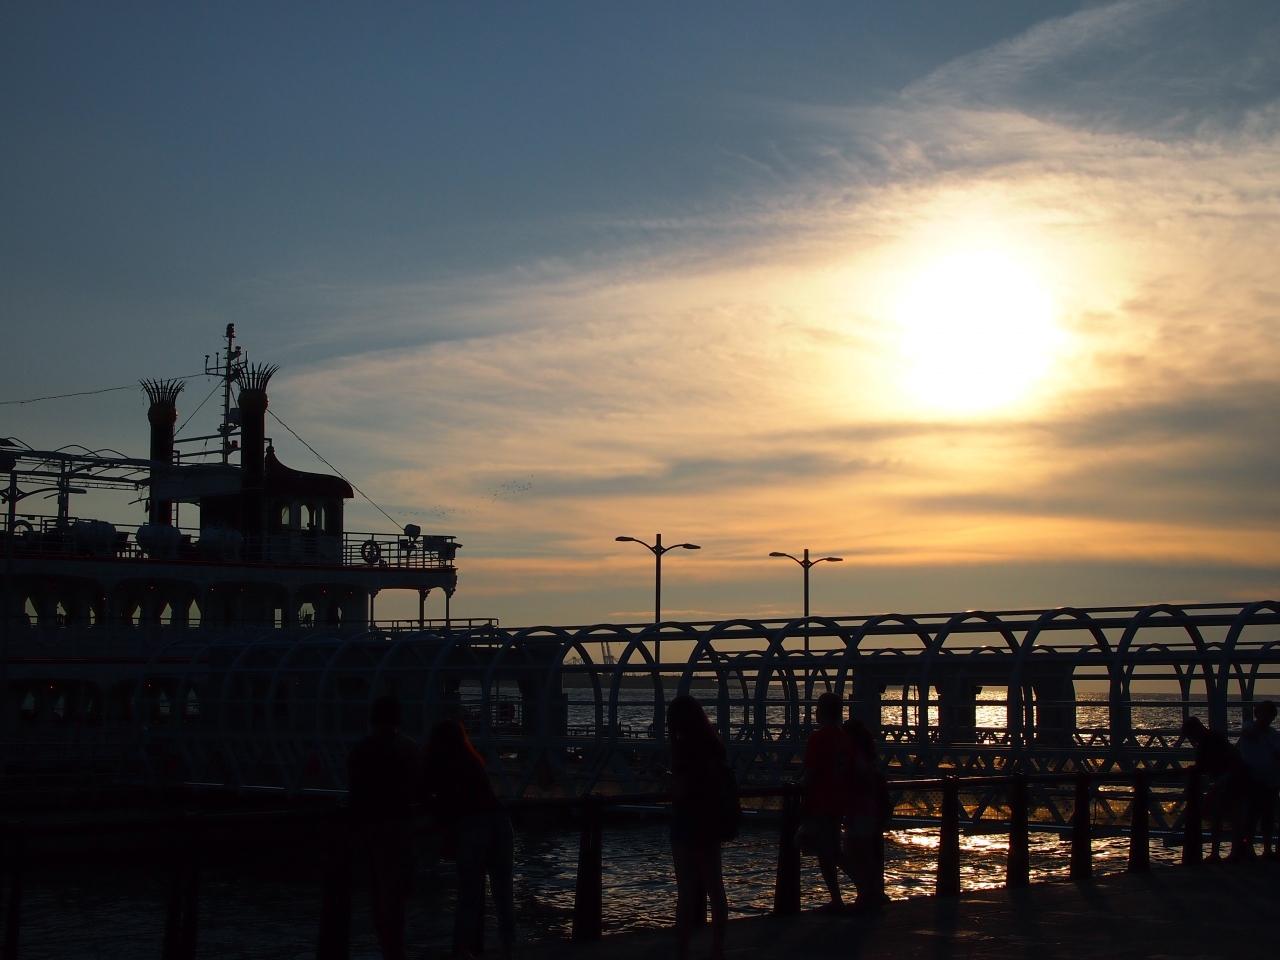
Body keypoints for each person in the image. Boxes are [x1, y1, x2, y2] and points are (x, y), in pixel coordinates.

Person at [422, 717, 515, 960]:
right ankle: (510, 947)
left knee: (469, 895)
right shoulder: (473, 761)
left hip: (472, 825)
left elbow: (431, 798)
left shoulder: (437, 764)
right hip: (499, 821)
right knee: (503, 892)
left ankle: (462, 949)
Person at [347, 695, 422, 960]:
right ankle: (396, 947)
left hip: (371, 824)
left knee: (378, 887)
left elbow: (355, 790)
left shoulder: (361, 750)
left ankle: (386, 946)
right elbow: (418, 786)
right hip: (401, 823)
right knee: (398, 889)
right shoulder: (409, 749)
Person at [667, 694, 729, 960]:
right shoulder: (714, 746)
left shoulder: (682, 749)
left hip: (686, 821)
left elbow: (681, 790)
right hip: (710, 819)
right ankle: (718, 948)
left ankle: (682, 949)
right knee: (715, 887)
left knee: (686, 890)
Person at [800, 692, 855, 912]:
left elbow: (811, 772)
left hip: (821, 800)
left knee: (827, 852)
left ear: (821, 712)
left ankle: (840, 897)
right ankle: (865, 888)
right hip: (840, 800)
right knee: (833, 850)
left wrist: (803, 797)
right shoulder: (844, 738)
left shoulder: (818, 738)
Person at [1181, 715, 1248, 860]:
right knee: (1232, 817)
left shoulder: (1206, 742)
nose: (1191, 740)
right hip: (1234, 777)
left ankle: (1218, 853)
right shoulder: (1215, 738)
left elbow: (1203, 764)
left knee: (1219, 817)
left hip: (1227, 779)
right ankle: (1234, 851)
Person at [842, 716, 890, 909]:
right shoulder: (870, 760)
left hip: (859, 810)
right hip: (871, 810)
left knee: (854, 852)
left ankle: (867, 892)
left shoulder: (855, 760)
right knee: (869, 852)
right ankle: (872, 892)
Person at [1236, 701, 1280, 858]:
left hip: (1268, 780)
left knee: (1265, 815)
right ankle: (1253, 848)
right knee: (1254, 815)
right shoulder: (1255, 732)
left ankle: (1264, 848)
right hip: (1255, 779)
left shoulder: (1271, 735)